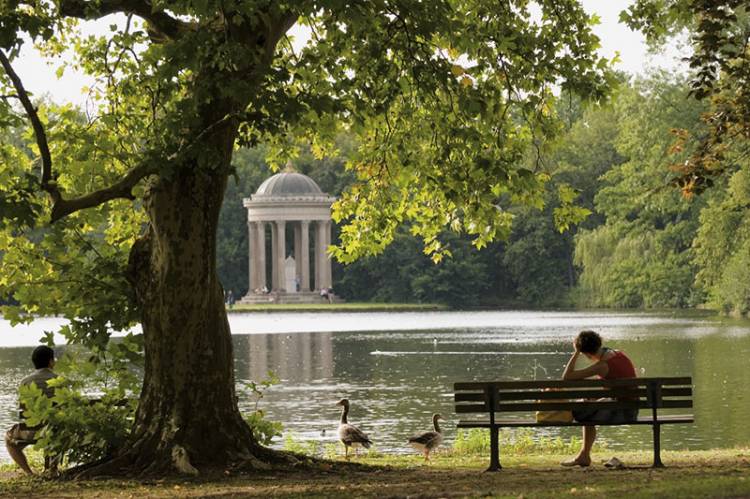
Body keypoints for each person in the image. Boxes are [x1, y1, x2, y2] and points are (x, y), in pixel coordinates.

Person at [560, 330, 637, 467]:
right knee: (586, 407)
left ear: (587, 353)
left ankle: (584, 456)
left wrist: (576, 352)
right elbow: (615, 391)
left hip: (623, 413)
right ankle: (583, 455)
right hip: (631, 410)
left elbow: (567, 376)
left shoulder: (602, 366)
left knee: (581, 412)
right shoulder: (617, 354)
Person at [5, 345, 59, 475]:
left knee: (9, 439)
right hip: (56, 430)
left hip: (31, 431)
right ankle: (53, 469)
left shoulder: (25, 382)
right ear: (51, 361)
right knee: (56, 428)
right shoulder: (60, 380)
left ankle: (29, 472)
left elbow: (22, 408)